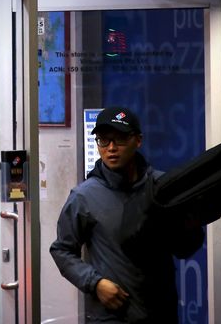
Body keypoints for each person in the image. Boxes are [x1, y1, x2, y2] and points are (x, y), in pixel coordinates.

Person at [49, 106, 205, 324]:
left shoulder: (161, 187)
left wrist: (191, 226)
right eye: (104, 140)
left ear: (138, 140)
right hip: (111, 316)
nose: (111, 148)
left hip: (160, 313)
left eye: (120, 139)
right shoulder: (84, 196)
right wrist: (95, 283)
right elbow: (62, 250)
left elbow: (184, 248)